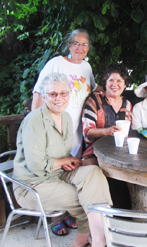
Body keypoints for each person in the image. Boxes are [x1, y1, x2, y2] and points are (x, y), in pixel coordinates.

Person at [13, 73, 112, 247]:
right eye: (53, 94)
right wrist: (64, 160)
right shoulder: (34, 121)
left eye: (63, 93)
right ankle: (87, 242)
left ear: (69, 94)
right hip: (32, 185)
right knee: (85, 198)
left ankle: (98, 240)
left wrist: (69, 160)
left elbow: (60, 155)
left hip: (58, 174)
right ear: (44, 96)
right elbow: (36, 166)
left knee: (94, 172)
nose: (59, 98)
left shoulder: (65, 118)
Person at [31, 28, 103, 235]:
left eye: (84, 44)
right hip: (55, 126)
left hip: (77, 129)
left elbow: (93, 88)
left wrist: (111, 89)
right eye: (76, 44)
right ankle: (55, 218)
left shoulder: (87, 67)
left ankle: (69, 214)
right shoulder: (56, 63)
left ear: (88, 48)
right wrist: (38, 122)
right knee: (54, 171)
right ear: (69, 45)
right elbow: (38, 91)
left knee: (71, 170)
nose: (80, 48)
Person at [82, 63, 132, 166]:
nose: (114, 85)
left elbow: (131, 131)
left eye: (119, 81)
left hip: (122, 152)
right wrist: (107, 131)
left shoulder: (127, 104)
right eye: (111, 80)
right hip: (96, 152)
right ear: (105, 83)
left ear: (125, 85)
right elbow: (87, 131)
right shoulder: (94, 100)